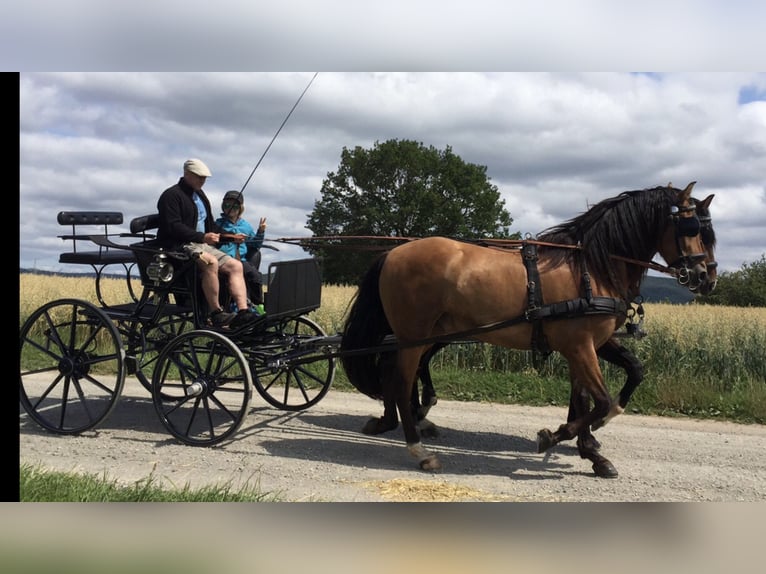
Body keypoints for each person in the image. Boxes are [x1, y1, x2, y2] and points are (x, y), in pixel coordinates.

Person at [156, 158, 256, 328]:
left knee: (236, 266)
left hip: (202, 244)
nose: (202, 181)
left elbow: (210, 225)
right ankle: (216, 313)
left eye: (204, 178)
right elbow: (173, 227)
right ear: (187, 174)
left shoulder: (200, 196)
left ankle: (243, 312)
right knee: (211, 262)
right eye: (198, 177)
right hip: (180, 246)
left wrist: (229, 237)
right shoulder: (171, 196)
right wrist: (201, 237)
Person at [215, 190, 267, 314]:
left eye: (235, 206)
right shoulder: (217, 224)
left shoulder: (246, 226)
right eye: (227, 205)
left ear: (240, 208)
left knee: (255, 276)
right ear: (223, 207)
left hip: (241, 261)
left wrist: (260, 231)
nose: (231, 209)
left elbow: (255, 244)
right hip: (224, 260)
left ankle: (257, 305)